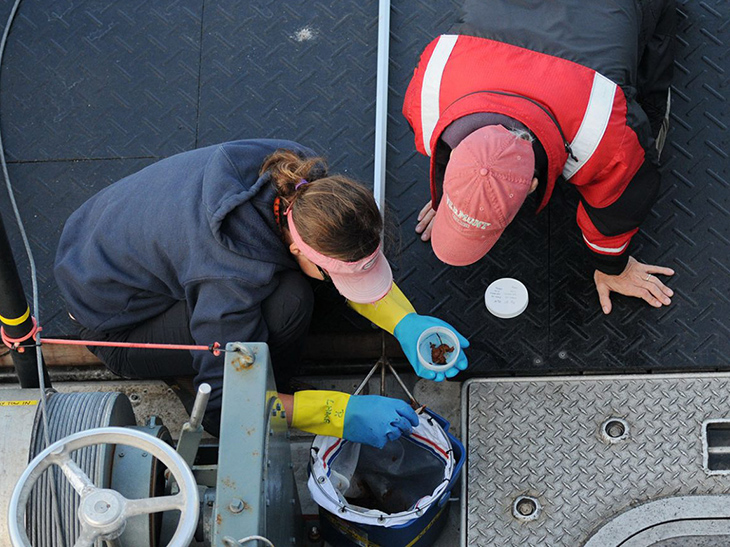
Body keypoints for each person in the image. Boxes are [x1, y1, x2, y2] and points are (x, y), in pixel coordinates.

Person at [54, 139, 468, 446]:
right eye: (339, 273)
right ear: (294, 247)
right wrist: (341, 414)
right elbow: (227, 409)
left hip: (94, 239)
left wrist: (404, 321)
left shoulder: (298, 174)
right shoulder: (231, 275)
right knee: (289, 302)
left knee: (295, 289)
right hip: (116, 327)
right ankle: (278, 383)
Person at [403, 0, 676, 314]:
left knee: (650, 87)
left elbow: (620, 206)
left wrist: (614, 267)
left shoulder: (605, 136)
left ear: (532, 185)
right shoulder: (428, 95)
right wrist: (453, 197)